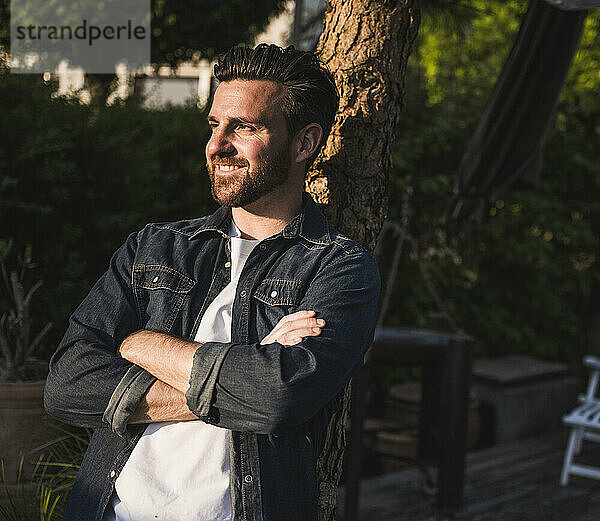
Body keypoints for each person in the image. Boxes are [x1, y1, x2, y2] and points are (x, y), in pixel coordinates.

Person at [44, 43, 380, 521]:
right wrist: (248, 369)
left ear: (305, 143)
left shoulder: (339, 270)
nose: (217, 144)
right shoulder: (155, 249)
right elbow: (66, 384)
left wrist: (140, 343)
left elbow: (279, 396)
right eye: (214, 124)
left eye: (244, 127)